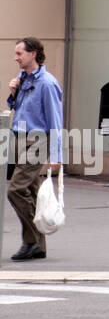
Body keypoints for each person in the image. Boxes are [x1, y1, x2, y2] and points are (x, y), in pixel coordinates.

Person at [6, 37, 63, 261]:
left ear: (33, 55)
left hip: (36, 141)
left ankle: (31, 240)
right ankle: (38, 247)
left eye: (19, 53)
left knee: (15, 190)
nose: (16, 58)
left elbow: (56, 121)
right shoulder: (24, 78)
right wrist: (13, 92)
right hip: (20, 139)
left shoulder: (47, 83)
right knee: (31, 192)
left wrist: (57, 155)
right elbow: (16, 108)